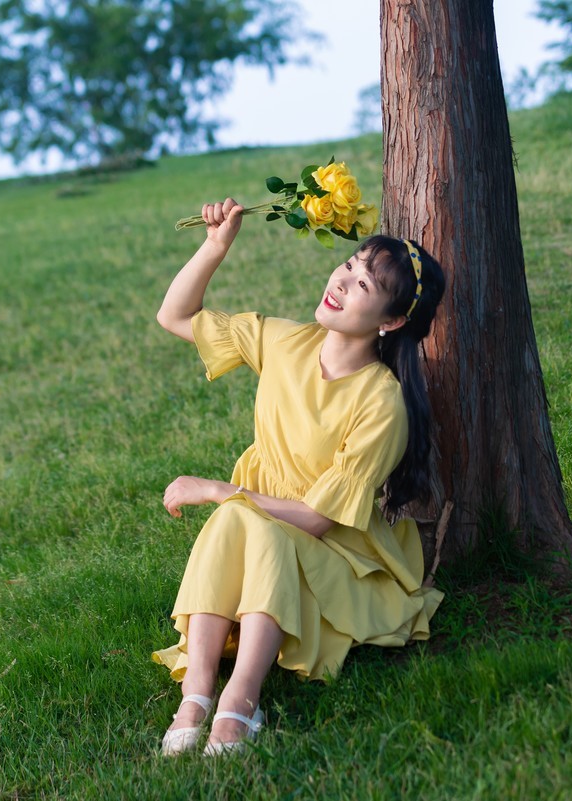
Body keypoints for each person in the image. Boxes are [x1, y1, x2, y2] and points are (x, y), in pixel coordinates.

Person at [151, 197, 447, 757]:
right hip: (259, 528)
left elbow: (316, 518)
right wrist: (215, 245)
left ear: (392, 320)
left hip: (333, 552)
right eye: (351, 264)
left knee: (245, 517)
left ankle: (241, 698)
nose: (342, 279)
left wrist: (218, 490)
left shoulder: (381, 402)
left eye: (364, 284)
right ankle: (196, 696)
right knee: (244, 521)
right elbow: (174, 317)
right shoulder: (287, 342)